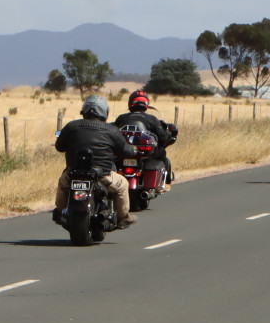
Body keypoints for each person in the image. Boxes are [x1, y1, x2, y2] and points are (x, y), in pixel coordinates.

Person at [52, 95, 136, 229]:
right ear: (104, 112)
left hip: (73, 173)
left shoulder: (71, 126)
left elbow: (59, 147)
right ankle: (123, 217)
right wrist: (133, 150)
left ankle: (60, 211)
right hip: (102, 176)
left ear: (84, 110)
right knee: (123, 185)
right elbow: (126, 151)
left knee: (62, 181)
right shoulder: (112, 130)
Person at [112, 89, 178, 185]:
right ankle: (166, 182)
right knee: (162, 152)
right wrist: (168, 135)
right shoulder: (152, 119)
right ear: (146, 103)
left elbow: (112, 133)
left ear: (131, 103)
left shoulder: (121, 118)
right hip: (145, 155)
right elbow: (162, 137)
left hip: (123, 152)